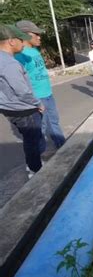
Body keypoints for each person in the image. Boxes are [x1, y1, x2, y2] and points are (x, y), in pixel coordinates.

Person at [0, 24, 45, 177]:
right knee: (32, 140)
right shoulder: (10, 64)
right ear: (11, 41)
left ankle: (33, 164)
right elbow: (22, 91)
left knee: (29, 139)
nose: (23, 43)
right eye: (21, 40)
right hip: (24, 109)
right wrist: (38, 103)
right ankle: (35, 169)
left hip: (9, 108)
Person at [15, 20, 66, 152]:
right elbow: (19, 82)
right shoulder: (20, 55)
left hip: (48, 94)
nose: (39, 37)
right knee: (40, 129)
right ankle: (39, 159)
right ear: (25, 35)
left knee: (54, 121)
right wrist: (34, 101)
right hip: (36, 98)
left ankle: (62, 147)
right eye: (36, 34)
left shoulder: (34, 51)